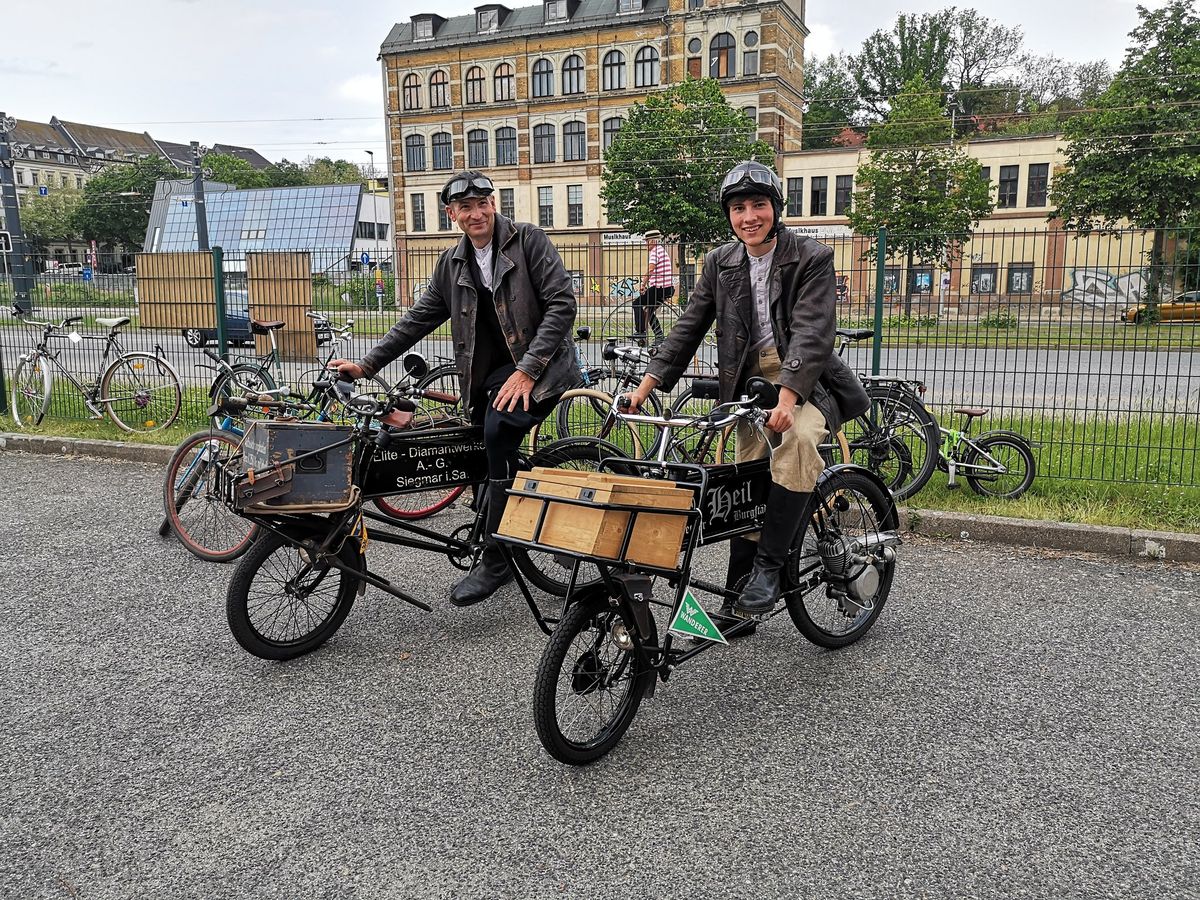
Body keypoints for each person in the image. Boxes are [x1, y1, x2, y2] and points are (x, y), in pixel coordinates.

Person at [623, 161, 869, 629]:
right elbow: (688, 327)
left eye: (759, 205)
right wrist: (646, 386)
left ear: (776, 208)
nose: (749, 216)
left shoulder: (811, 257)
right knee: (745, 478)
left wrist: (789, 400)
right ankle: (740, 596)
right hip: (748, 384)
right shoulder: (721, 262)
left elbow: (812, 335)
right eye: (739, 208)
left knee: (795, 443)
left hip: (807, 381)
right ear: (729, 215)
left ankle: (771, 569)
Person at [331, 170, 578, 607]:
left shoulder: (529, 241)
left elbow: (562, 304)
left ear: (494, 204)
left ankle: (499, 557)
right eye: (466, 207)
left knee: (498, 432)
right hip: (490, 376)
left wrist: (528, 369)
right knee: (475, 444)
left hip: (542, 369)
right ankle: (503, 509)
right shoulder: (452, 263)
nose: (477, 212)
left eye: (483, 203)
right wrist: (367, 365)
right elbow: (418, 318)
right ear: (452, 214)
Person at [631, 229, 674, 346]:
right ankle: (659, 336)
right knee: (647, 311)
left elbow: (650, 270)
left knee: (637, 303)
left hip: (659, 289)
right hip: (666, 288)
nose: (646, 244)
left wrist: (643, 284)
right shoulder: (661, 251)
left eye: (647, 241)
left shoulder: (655, 252)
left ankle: (640, 332)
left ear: (653, 241)